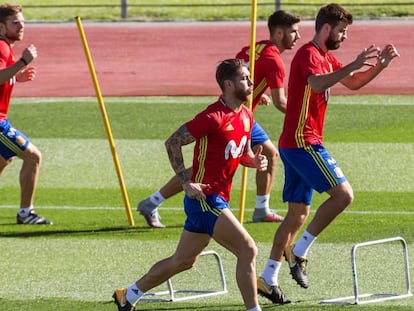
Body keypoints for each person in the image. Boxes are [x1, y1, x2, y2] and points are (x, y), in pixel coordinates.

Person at [257, 3, 400, 304]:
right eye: (342, 31)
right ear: (326, 29)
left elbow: (354, 83)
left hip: (299, 142)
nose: (344, 37)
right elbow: (317, 82)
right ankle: (299, 252)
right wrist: (352, 64)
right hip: (302, 142)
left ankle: (268, 278)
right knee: (344, 195)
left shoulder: (326, 57)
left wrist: (379, 66)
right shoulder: (309, 55)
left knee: (297, 214)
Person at [113, 58, 267, 311]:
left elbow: (242, 154)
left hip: (216, 199)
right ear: (228, 84)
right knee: (248, 249)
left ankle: (127, 295)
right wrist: (186, 182)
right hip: (206, 199)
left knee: (183, 261)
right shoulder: (212, 117)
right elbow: (172, 142)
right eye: (244, 78)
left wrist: (254, 162)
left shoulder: (247, 115)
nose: (251, 82)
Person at [137, 10, 301, 228]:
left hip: (242, 113)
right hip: (233, 116)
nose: (298, 37)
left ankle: (153, 202)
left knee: (250, 157)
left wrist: (255, 95)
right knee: (214, 165)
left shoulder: (255, 46)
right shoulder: (275, 61)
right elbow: (281, 101)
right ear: (279, 33)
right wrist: (302, 118)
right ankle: (261, 208)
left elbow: (242, 71)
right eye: (294, 32)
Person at [0, 4, 52, 225]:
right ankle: (25, 213)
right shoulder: (2, 46)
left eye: (22, 22)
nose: (21, 27)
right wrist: (23, 62)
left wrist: (16, 77)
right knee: (33, 157)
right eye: (15, 23)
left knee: (3, 161)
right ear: (1, 27)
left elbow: (4, 76)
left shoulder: (5, 46)